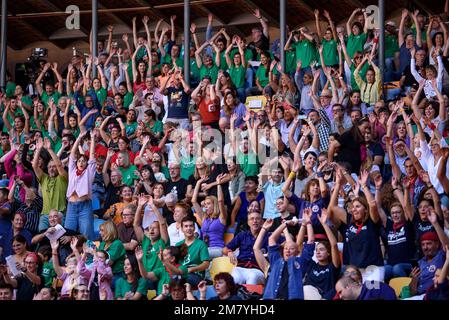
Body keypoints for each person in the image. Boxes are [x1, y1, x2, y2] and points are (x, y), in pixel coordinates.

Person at [65, 130, 97, 240]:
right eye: (79, 161)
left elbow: (92, 157)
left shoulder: (89, 172)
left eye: (84, 161)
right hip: (71, 206)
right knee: (68, 235)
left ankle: (88, 256)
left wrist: (92, 138)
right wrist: (78, 138)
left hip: (85, 206)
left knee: (87, 234)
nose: (81, 162)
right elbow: (72, 156)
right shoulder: (72, 171)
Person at [224, 211, 268, 285]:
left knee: (252, 278)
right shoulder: (242, 235)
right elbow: (224, 249)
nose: (255, 221)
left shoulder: (268, 236)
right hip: (241, 268)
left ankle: (250, 296)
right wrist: (229, 252)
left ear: (262, 222)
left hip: (258, 269)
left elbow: (285, 243)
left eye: (257, 219)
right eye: (252, 219)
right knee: (235, 279)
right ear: (248, 222)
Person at [176, 216, 210, 287]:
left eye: (191, 226)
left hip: (196, 275)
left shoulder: (201, 244)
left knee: (182, 278)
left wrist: (192, 269)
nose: (189, 228)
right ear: (182, 229)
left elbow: (206, 264)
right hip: (181, 273)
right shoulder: (178, 245)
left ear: (194, 228)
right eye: (186, 226)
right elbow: (175, 263)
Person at [98, 220, 127, 287]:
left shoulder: (117, 244)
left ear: (109, 231)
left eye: (102, 230)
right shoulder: (102, 244)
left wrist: (94, 253)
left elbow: (108, 263)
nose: (99, 233)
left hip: (117, 275)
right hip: (105, 274)